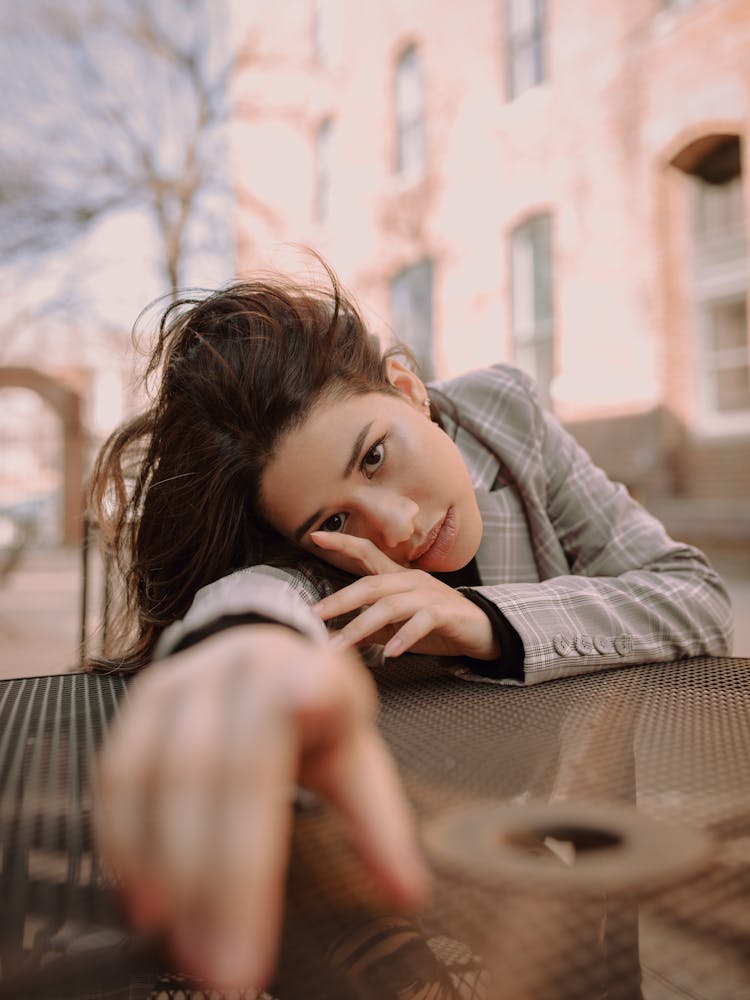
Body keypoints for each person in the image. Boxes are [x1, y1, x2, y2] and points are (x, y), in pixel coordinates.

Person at [90, 261, 732, 991]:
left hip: (554, 813)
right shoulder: (306, 559)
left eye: (375, 457)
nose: (398, 526)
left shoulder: (506, 418)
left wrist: (485, 620)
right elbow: (266, 596)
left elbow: (694, 594)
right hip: (384, 842)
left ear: (407, 389)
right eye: (334, 520)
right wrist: (242, 641)